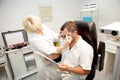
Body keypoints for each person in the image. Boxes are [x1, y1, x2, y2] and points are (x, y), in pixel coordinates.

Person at [22, 15, 71, 80]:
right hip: (44, 62)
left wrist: (59, 35)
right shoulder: (33, 39)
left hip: (52, 58)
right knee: (47, 76)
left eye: (40, 26)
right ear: (31, 30)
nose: (40, 29)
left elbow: (53, 34)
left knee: (56, 73)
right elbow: (49, 50)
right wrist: (64, 46)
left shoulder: (43, 27)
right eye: (37, 29)